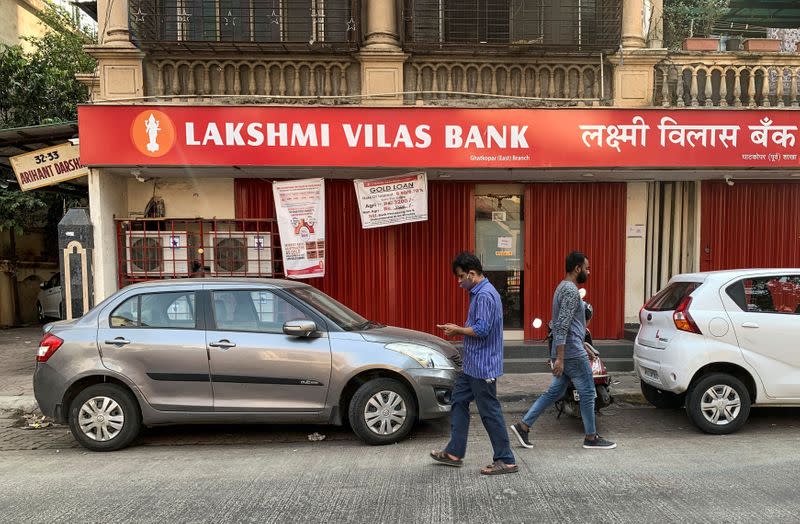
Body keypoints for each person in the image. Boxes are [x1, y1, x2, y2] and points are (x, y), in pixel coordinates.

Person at [510, 251, 616, 450]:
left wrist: (584, 345)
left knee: (554, 392)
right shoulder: (569, 290)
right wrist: (560, 357)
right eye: (587, 268)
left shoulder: (562, 287)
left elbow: (570, 326)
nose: (589, 272)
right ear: (577, 268)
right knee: (587, 392)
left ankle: (523, 426)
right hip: (571, 353)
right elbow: (562, 325)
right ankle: (591, 438)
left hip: (571, 349)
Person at [430, 252, 518, 475]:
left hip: (483, 366)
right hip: (472, 366)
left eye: (461, 277)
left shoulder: (485, 295)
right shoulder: (478, 292)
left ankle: (506, 459)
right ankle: (454, 452)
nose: (459, 282)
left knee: (489, 412)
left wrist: (457, 330)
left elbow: (482, 330)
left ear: (471, 274)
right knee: (458, 401)